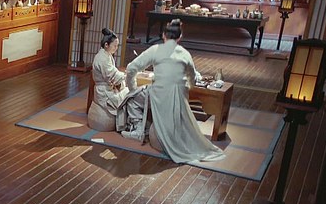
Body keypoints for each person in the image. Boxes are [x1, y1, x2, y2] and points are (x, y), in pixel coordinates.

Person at [118, 19, 225, 163]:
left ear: (163, 35)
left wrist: (133, 88)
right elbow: (192, 79)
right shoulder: (185, 54)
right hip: (179, 98)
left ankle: (138, 131)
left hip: (158, 95)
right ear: (180, 37)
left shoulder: (156, 50)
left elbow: (131, 68)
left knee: (132, 98)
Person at [89, 28, 129, 131]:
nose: (116, 48)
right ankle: (124, 125)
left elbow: (113, 73)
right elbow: (112, 75)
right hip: (104, 92)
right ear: (106, 45)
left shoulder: (106, 55)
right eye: (114, 46)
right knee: (129, 94)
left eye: (117, 46)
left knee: (127, 91)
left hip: (107, 88)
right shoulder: (103, 58)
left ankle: (124, 124)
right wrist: (126, 75)